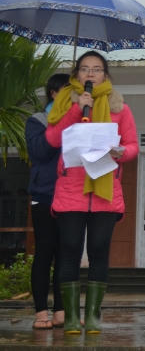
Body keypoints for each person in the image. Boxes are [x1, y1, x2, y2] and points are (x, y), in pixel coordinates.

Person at [45, 50, 139, 334]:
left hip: (105, 190)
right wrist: (77, 109)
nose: (90, 74)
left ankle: (94, 316)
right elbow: (52, 139)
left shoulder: (120, 107)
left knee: (99, 250)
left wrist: (120, 151)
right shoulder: (65, 101)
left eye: (96, 69)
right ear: (76, 74)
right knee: (69, 251)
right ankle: (72, 318)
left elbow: (132, 146)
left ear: (105, 75)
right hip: (71, 190)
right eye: (85, 68)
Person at [25, 73, 70, 329]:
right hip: (45, 195)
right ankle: (41, 312)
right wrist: (61, 125)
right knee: (44, 253)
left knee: (66, 254)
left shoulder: (80, 120)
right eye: (67, 90)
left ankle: (61, 311)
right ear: (53, 92)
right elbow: (39, 152)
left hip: (71, 196)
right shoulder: (37, 120)